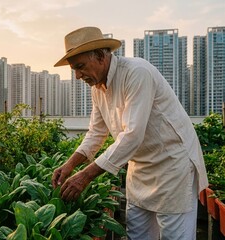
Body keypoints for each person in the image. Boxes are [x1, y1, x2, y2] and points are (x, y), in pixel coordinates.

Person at [51, 26, 208, 240]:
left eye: (80, 67)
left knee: (174, 236)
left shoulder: (136, 72)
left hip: (172, 163)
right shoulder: (97, 89)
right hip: (140, 169)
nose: (78, 75)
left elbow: (132, 135)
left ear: (100, 56)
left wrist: (85, 176)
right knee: (138, 234)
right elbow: (96, 133)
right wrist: (69, 165)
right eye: (74, 70)